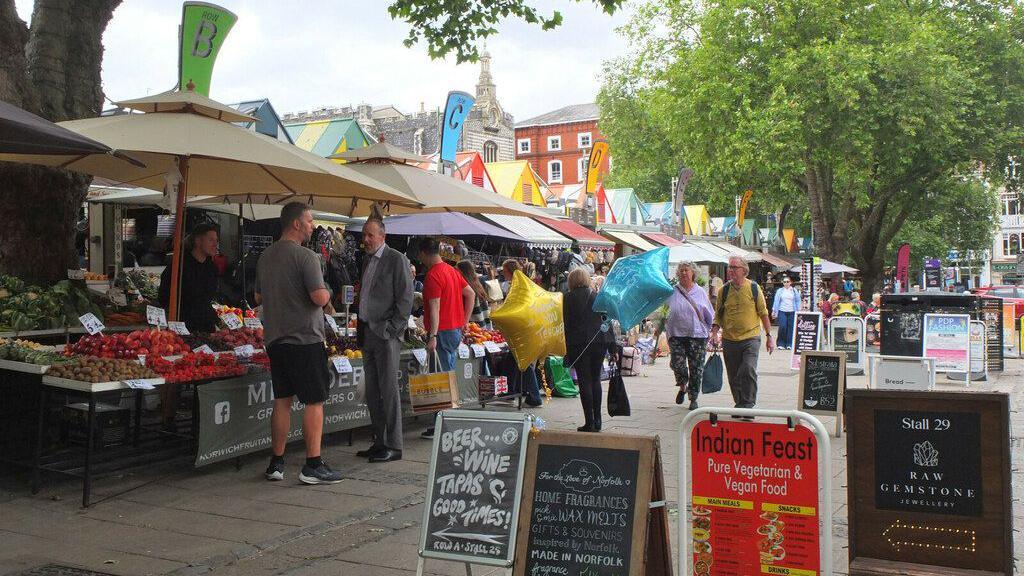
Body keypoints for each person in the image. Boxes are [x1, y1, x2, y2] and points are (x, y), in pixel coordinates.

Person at [256, 203, 340, 485]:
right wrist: (327, 291)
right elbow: (319, 298)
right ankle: (313, 464)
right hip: (305, 338)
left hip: (276, 338)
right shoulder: (306, 257)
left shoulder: (265, 257)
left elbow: (258, 297)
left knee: (282, 401)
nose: (312, 225)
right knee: (314, 401)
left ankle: (276, 463)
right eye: (309, 220)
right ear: (295, 224)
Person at [356, 218, 413, 463]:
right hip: (368, 331)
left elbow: (405, 298)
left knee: (388, 389)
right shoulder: (368, 260)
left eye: (370, 235)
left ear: (382, 236)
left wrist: (392, 329)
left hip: (385, 333)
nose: (365, 240)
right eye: (364, 235)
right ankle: (379, 440)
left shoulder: (395, 259)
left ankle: (394, 444)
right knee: (372, 390)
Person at [158, 223, 220, 431]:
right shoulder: (178, 266)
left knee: (206, 372)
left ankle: (203, 418)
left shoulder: (211, 267)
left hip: (206, 328)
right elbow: (163, 296)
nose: (215, 244)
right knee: (178, 371)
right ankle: (168, 417)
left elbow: (210, 297)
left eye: (216, 240)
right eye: (211, 239)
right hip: (182, 327)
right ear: (198, 241)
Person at [418, 241, 474, 439]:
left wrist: (432, 335)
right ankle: (446, 420)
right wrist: (464, 321)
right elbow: (471, 293)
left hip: (441, 332)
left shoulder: (433, 275)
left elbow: (434, 308)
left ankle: (442, 424)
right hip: (453, 331)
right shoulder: (452, 271)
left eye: (420, 256)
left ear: (424, 254)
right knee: (447, 375)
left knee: (439, 378)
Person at [710, 256, 774, 415]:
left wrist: (769, 336)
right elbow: (718, 315)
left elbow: (763, 312)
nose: (730, 270)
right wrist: (714, 333)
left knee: (747, 369)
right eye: (729, 267)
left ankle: (748, 404)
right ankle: (740, 404)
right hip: (730, 339)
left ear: (744, 270)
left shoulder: (754, 288)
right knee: (733, 375)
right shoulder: (723, 290)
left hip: (751, 338)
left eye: (734, 267)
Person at [666, 262, 715, 409]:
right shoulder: (672, 291)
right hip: (676, 334)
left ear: (693, 273)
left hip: (697, 335)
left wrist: (713, 331)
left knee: (696, 367)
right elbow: (664, 310)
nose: (683, 273)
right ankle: (682, 386)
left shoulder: (700, 292)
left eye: (686, 270)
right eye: (681, 271)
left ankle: (693, 398)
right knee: (677, 364)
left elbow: (709, 313)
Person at [562, 268, 606, 432]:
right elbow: (605, 321)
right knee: (596, 380)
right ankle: (599, 420)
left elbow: (566, 325)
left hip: (579, 344)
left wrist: (566, 349)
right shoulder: (596, 296)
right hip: (598, 343)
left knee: (584, 381)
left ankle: (590, 421)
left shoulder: (568, 297)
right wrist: (613, 346)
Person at [458, 260, 491, 326]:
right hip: (484, 324)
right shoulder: (478, 284)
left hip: (474, 326)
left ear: (462, 271)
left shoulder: (467, 288)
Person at [771, 276, 800, 350]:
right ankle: (781, 343)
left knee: (791, 327)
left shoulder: (794, 290)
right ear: (782, 283)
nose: (786, 283)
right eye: (784, 282)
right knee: (783, 326)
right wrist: (774, 311)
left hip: (792, 311)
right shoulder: (780, 291)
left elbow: (798, 301)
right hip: (782, 311)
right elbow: (776, 301)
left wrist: (798, 311)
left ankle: (789, 344)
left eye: (787, 282)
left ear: (790, 282)